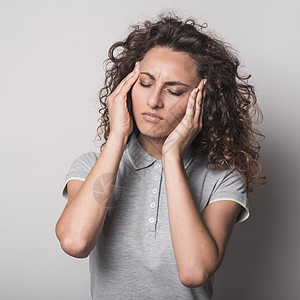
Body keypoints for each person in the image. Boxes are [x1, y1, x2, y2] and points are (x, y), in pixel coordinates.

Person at [55, 12, 266, 300]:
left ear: (202, 101)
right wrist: (117, 137)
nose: (154, 101)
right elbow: (75, 243)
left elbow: (194, 272)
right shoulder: (91, 166)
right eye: (145, 83)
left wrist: (171, 158)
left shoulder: (223, 179)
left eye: (174, 90)